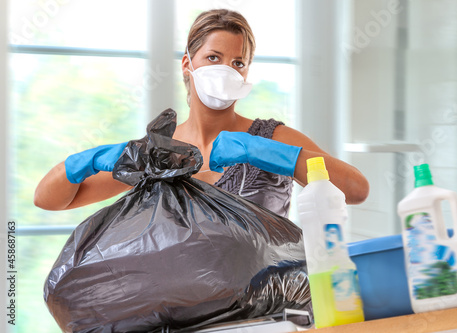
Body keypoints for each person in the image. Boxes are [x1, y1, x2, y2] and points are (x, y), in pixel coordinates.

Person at [34, 9, 369, 218]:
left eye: (238, 62)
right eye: (213, 57)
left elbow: (356, 189)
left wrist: (264, 152)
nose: (226, 69)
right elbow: (49, 200)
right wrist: (94, 159)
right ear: (187, 64)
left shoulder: (271, 137)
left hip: (266, 316)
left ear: (246, 74)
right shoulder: (155, 154)